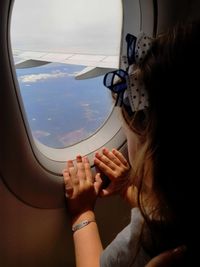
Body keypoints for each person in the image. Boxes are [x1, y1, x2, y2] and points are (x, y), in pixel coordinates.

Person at [63, 20, 199, 266]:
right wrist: (128, 189)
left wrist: (82, 213)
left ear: (153, 150)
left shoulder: (141, 244)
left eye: (129, 137)